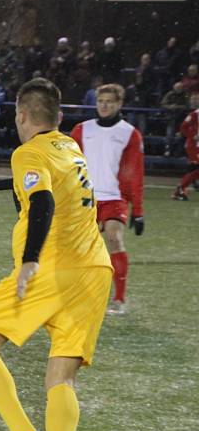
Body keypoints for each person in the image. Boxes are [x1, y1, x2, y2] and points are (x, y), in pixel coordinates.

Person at [0, 77, 112, 431]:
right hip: (94, 270)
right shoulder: (70, 147)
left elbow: (42, 200)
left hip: (50, 267)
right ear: (59, 116)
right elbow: (44, 186)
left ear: (22, 115)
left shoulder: (27, 151)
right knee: (60, 378)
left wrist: (30, 258)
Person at [71, 83, 144, 315]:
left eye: (109, 102)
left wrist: (138, 211)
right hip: (85, 199)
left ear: (119, 104)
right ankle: (78, 294)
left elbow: (136, 173)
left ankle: (119, 299)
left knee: (113, 238)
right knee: (78, 249)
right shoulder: (82, 129)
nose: (104, 105)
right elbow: (69, 165)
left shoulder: (129, 134)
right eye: (101, 101)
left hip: (115, 198)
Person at [172, 91, 199, 200]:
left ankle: (181, 189)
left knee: (194, 170)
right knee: (195, 169)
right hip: (194, 146)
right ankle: (180, 189)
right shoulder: (195, 114)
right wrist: (193, 136)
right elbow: (183, 127)